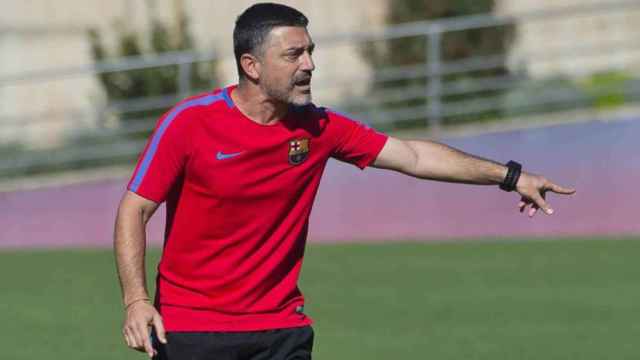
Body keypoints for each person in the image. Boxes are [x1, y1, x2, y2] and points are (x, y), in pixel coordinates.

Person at [114, 3, 575, 359]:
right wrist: (137, 301)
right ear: (251, 65)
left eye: (311, 51)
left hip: (281, 327)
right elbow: (134, 209)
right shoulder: (189, 124)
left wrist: (510, 175)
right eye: (294, 54)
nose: (310, 64)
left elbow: (412, 155)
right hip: (194, 330)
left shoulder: (320, 127)